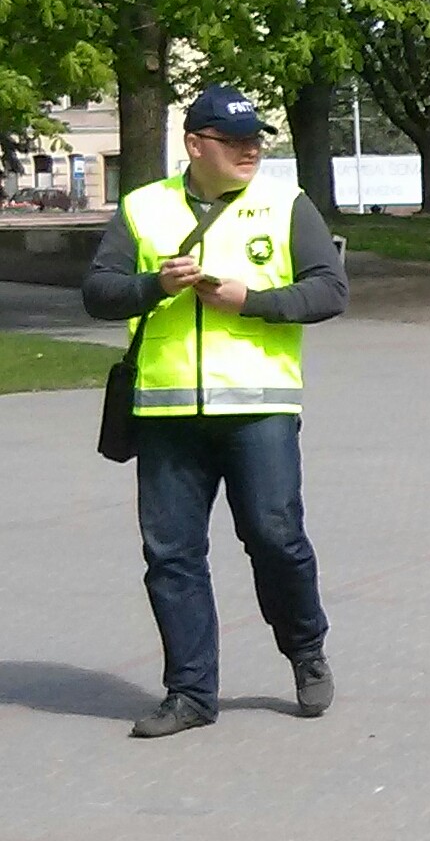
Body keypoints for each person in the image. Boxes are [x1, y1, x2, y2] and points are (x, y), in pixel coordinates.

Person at [82, 85, 348, 738]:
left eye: (255, 139)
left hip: (261, 409)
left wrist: (249, 299)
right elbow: (99, 292)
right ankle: (191, 694)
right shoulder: (144, 208)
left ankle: (306, 648)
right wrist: (155, 285)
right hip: (167, 413)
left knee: (274, 539)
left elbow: (329, 290)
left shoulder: (285, 203)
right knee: (170, 553)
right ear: (195, 145)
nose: (249, 150)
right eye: (233, 142)